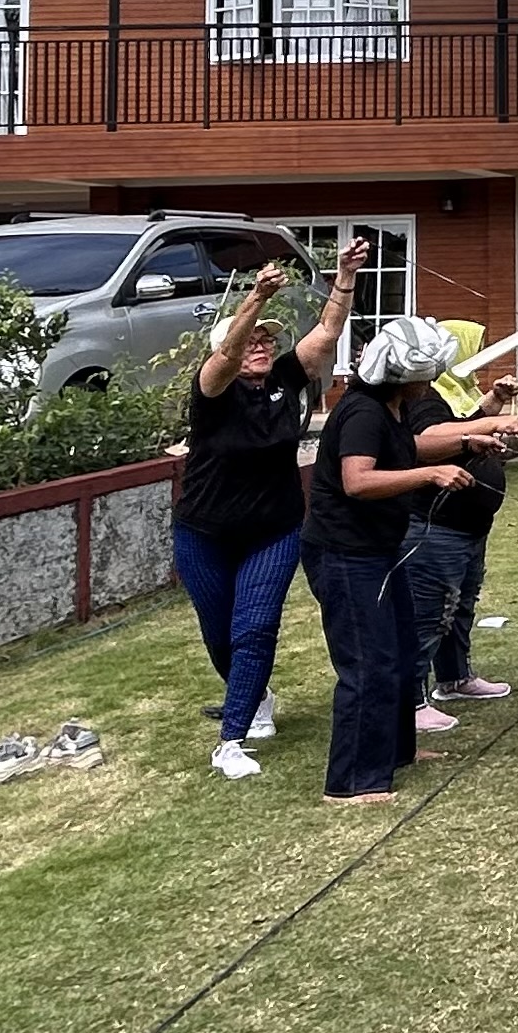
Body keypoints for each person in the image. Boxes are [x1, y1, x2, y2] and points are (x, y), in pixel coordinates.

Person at [176, 242, 361, 779]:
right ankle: (255, 696)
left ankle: (231, 740)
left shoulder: (283, 379)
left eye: (267, 341)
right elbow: (223, 360)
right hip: (203, 532)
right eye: (252, 340)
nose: (261, 347)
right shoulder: (212, 391)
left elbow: (325, 334)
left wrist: (345, 277)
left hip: (274, 530)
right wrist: (255, 298)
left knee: (254, 628)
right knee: (219, 633)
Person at [303, 318, 491, 804]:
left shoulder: (393, 408)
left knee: (402, 653)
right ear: (401, 375)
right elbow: (357, 481)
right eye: (424, 376)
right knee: (369, 662)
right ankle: (351, 782)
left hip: (380, 549)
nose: (429, 383)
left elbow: (407, 451)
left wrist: (468, 444)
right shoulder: (362, 412)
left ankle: (396, 753)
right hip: (346, 553)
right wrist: (430, 475)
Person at [401, 353, 518, 740]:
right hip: (437, 526)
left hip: (469, 526)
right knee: (429, 614)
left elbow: (464, 425)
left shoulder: (447, 393)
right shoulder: (422, 396)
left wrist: (494, 401)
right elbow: (432, 437)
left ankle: (455, 678)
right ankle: (410, 701)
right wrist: (492, 423)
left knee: (459, 606)